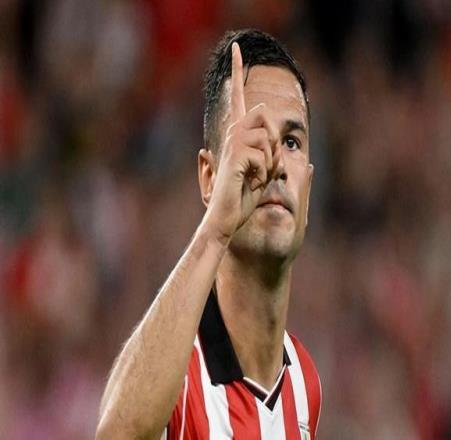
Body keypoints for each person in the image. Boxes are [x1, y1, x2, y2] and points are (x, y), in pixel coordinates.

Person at [96, 29, 321, 440]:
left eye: (292, 142)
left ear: (308, 185)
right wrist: (215, 229)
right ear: (209, 177)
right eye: (253, 139)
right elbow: (116, 434)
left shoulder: (303, 382)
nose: (275, 164)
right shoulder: (176, 375)